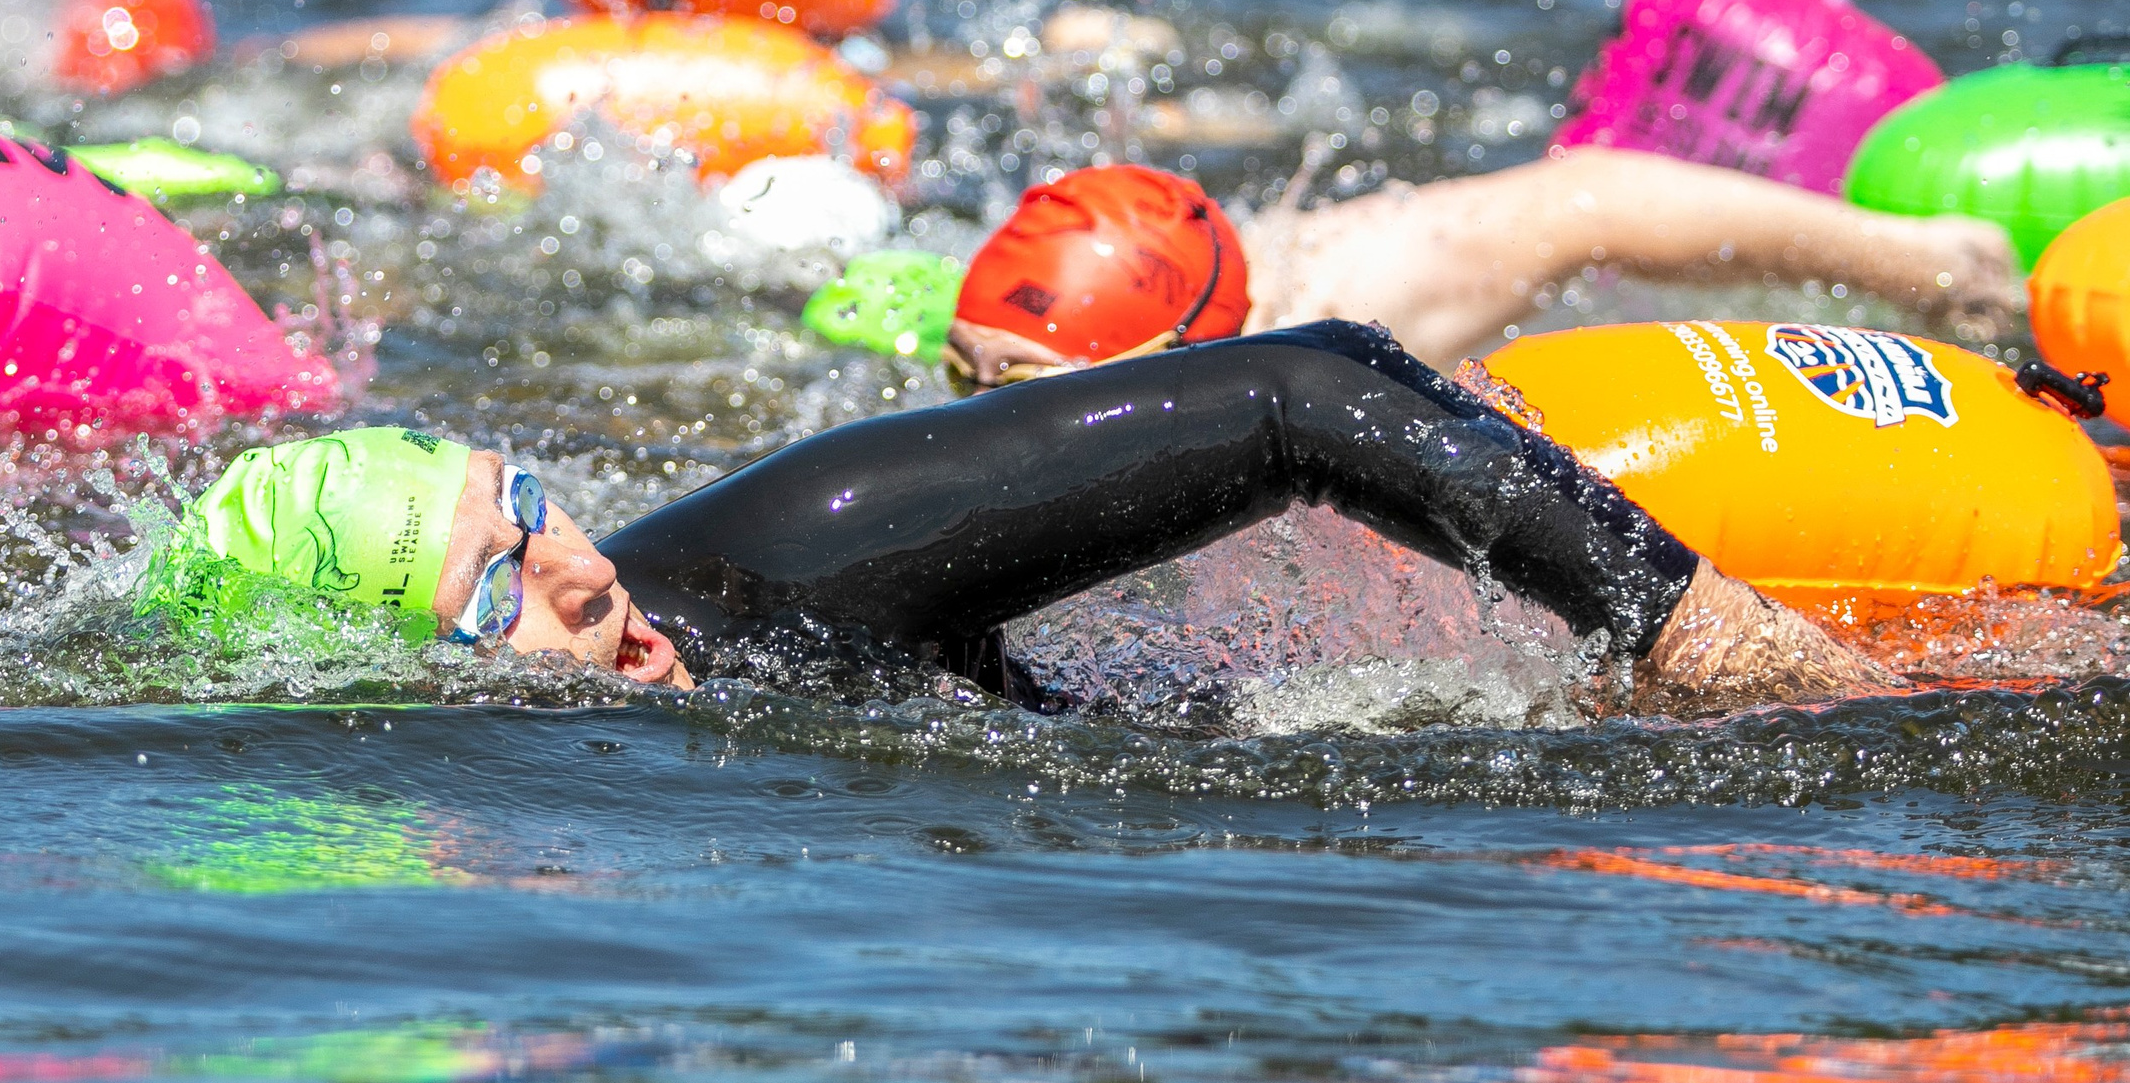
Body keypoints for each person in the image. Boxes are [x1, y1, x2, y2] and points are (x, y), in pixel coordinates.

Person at [140, 322, 1882, 711]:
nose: (581, 571)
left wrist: (1722, 645)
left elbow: (1316, 387)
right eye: (494, 588)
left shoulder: (784, 556)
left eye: (534, 506)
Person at [944, 149, 2022, 384]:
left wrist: (1915, 268)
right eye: (964, 376)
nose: (978, 416)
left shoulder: (1354, 305)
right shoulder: (1020, 331)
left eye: (1019, 389)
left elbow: (1580, 201)